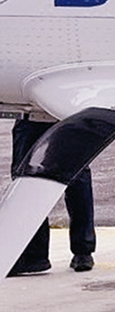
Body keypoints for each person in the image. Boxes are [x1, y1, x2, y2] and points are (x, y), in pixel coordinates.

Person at [7, 117, 95, 275]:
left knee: (26, 176)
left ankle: (35, 255)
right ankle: (83, 251)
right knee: (76, 173)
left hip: (32, 109)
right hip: (67, 110)